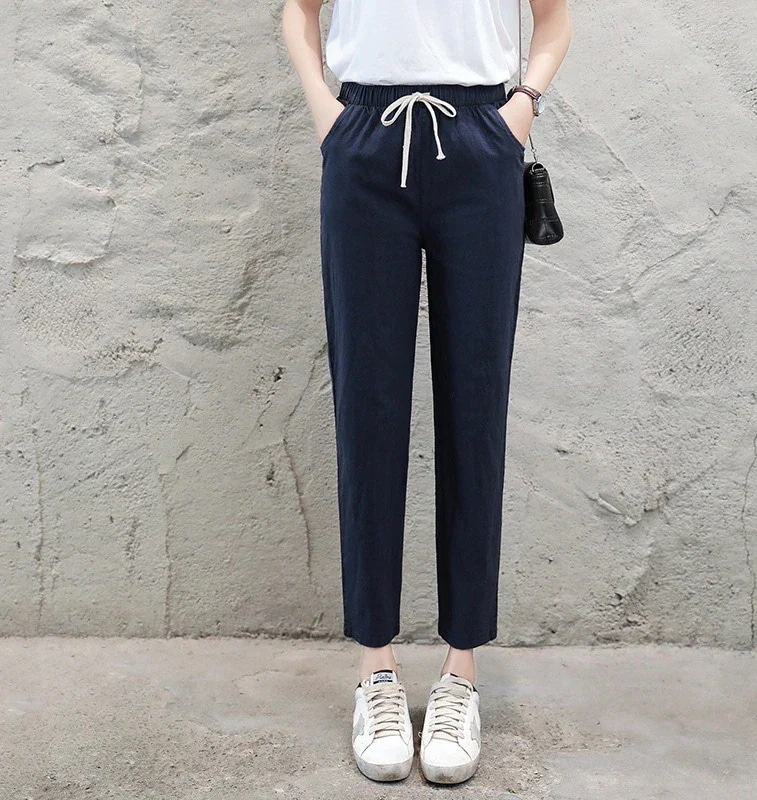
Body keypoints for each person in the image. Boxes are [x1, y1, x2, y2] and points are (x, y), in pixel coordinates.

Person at [281, 0, 572, 784]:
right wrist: (329, 116)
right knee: (367, 406)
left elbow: (554, 20)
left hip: (480, 141)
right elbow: (298, 12)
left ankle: (460, 673)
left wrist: (520, 109)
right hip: (364, 137)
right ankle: (376, 669)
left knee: (476, 405)